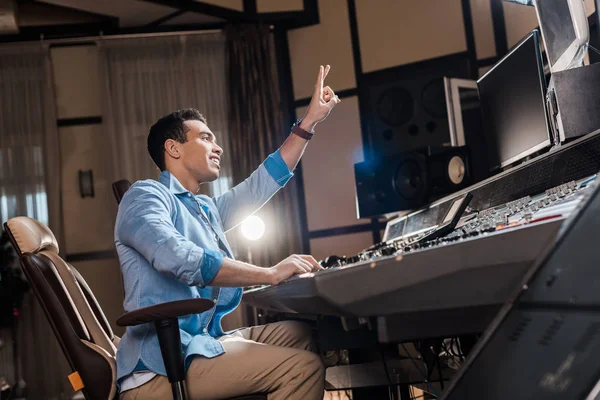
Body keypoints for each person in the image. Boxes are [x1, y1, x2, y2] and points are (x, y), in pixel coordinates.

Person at [116, 65, 341, 399]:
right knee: (302, 368)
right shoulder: (145, 197)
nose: (217, 147)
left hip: (197, 345)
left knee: (300, 333)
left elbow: (260, 185)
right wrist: (270, 273)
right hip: (160, 367)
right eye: (206, 138)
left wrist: (308, 123)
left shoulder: (204, 209)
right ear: (173, 148)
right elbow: (176, 257)